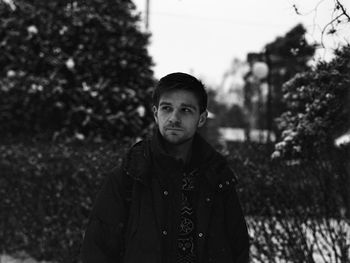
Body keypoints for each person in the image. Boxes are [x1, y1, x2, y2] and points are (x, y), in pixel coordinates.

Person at [81, 72, 250, 263]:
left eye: (185, 110)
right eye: (167, 108)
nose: (174, 118)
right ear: (155, 113)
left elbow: (239, 250)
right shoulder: (130, 176)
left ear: (201, 118)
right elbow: (97, 251)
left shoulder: (217, 177)